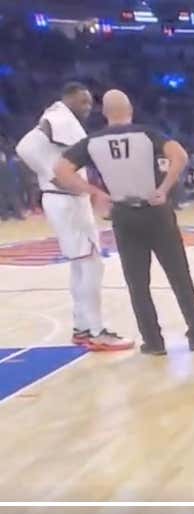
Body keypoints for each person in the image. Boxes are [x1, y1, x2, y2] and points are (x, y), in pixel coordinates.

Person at [52, 90, 194, 356]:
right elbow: (180, 156)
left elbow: (60, 170)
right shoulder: (147, 134)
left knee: (137, 284)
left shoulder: (92, 142)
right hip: (156, 210)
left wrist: (94, 192)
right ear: (130, 110)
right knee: (179, 275)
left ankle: (153, 342)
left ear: (105, 113)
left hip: (123, 213)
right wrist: (164, 188)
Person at [15, 82, 133, 351]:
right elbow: (25, 146)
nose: (88, 107)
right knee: (91, 265)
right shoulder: (59, 117)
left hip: (66, 201)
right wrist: (51, 174)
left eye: (90, 102)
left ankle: (82, 328)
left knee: (82, 265)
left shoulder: (61, 118)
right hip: (66, 201)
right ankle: (96, 332)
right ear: (68, 98)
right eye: (83, 101)